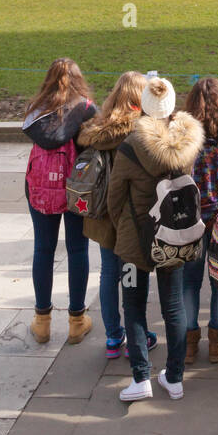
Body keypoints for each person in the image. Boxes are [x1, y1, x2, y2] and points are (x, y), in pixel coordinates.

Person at [107, 76, 205, 402]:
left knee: (133, 307)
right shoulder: (185, 145)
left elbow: (114, 196)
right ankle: (174, 378)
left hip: (135, 244)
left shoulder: (130, 146)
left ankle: (140, 378)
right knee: (173, 307)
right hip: (173, 238)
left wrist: (119, 225)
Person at [75, 71, 159, 360]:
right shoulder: (140, 130)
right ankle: (139, 334)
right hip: (129, 215)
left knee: (109, 273)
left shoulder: (95, 128)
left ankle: (113, 336)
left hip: (99, 213)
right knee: (133, 276)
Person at [23, 59, 97, 345]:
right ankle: (76, 321)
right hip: (75, 191)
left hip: (40, 190)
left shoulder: (35, 111)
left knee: (43, 249)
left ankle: (42, 322)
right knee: (78, 250)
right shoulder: (86, 109)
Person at [181, 78, 218, 364]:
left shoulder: (184, 138)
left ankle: (190, 343)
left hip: (191, 220)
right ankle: (216, 342)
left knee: (188, 283)